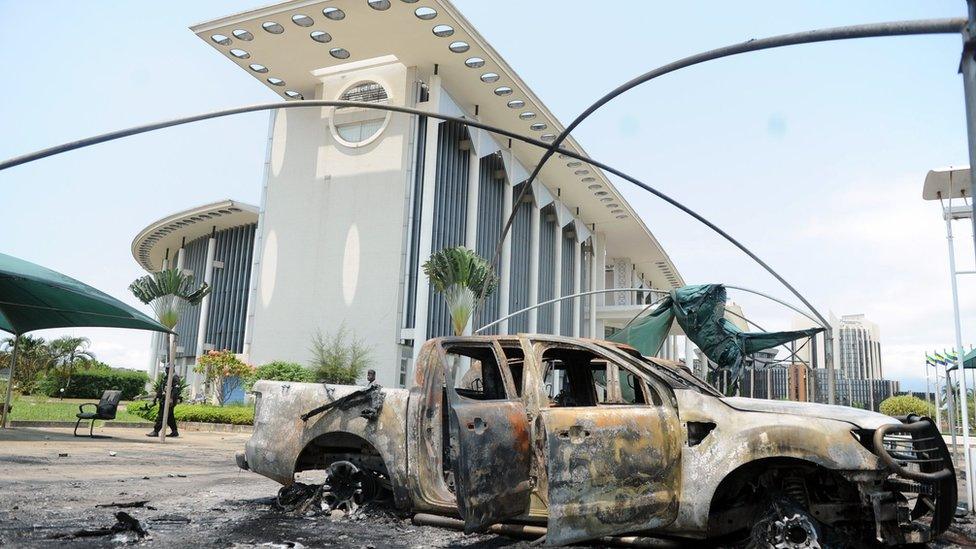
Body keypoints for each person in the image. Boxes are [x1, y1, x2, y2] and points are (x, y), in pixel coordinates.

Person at [148, 371, 181, 438]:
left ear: (172, 368)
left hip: (169, 401)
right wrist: (156, 397)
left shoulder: (175, 377)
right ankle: (174, 431)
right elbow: (161, 388)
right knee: (170, 417)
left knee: (162, 415)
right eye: (166, 368)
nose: (166, 370)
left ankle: (156, 431)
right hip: (163, 399)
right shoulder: (166, 377)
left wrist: (171, 398)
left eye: (168, 368)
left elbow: (176, 389)